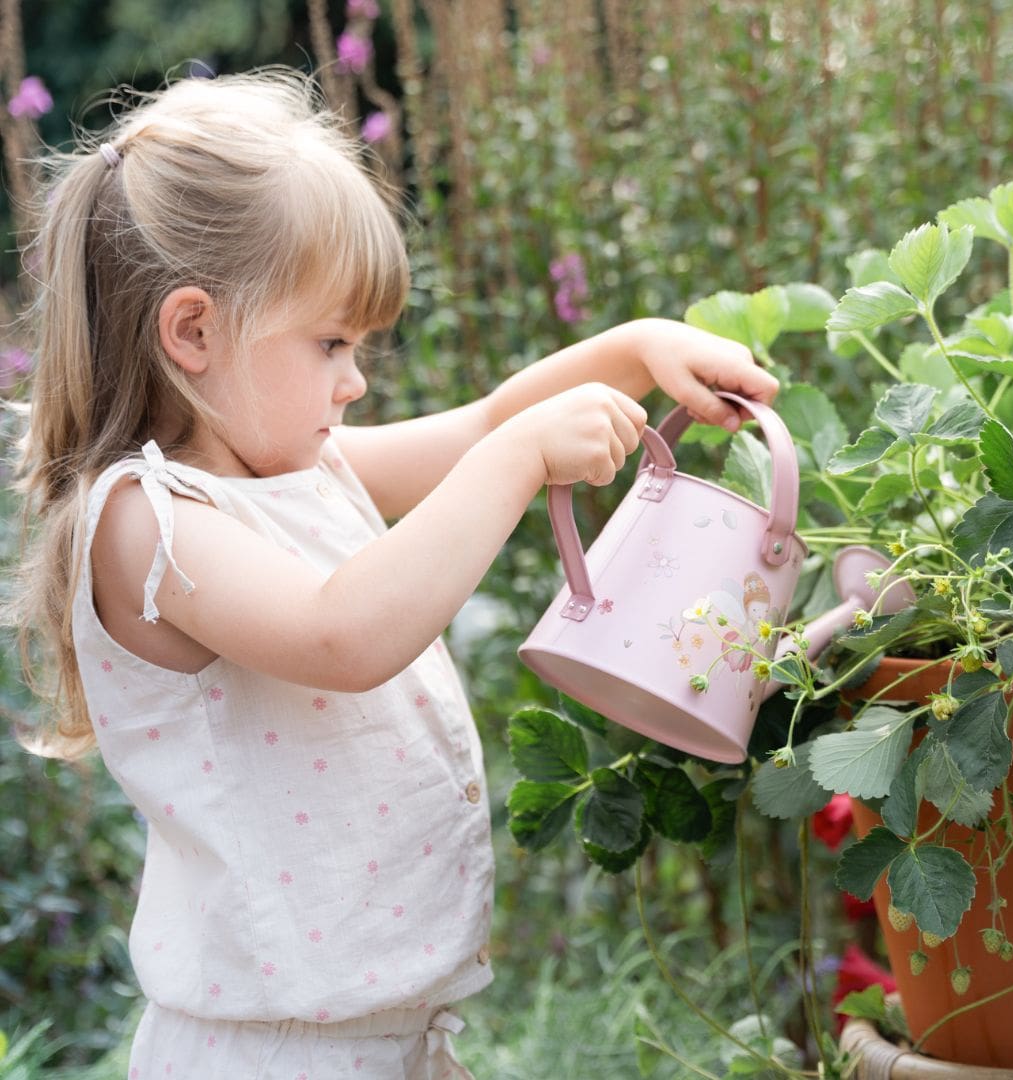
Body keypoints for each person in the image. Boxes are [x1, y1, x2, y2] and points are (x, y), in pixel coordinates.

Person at [6, 69, 778, 1078]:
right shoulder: (145, 523)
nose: (355, 380)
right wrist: (518, 461)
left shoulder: (299, 470)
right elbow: (343, 635)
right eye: (331, 343)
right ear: (193, 332)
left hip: (379, 1042)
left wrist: (639, 349)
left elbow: (484, 422)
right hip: (268, 1057)